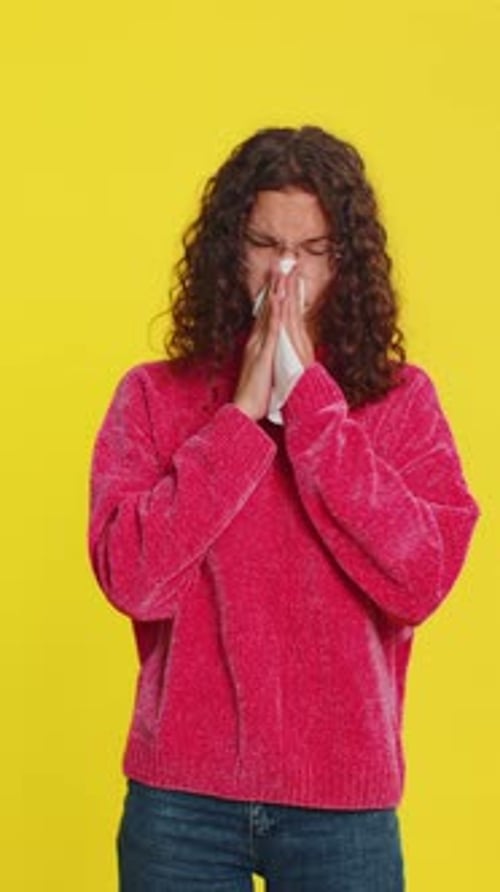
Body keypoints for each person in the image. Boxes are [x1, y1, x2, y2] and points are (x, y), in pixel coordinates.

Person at [87, 125, 480, 891]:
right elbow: (132, 579)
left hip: (344, 807)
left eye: (314, 250)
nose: (286, 273)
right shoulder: (153, 395)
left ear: (349, 259)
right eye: (266, 244)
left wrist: (309, 406)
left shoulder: (402, 403)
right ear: (229, 248)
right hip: (182, 803)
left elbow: (420, 578)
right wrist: (237, 418)